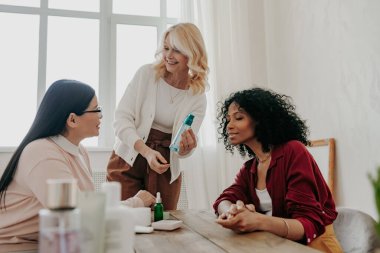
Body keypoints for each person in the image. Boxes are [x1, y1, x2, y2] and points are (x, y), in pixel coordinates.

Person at [0, 80, 155, 252]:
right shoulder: (41, 152)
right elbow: (80, 217)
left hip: (53, 245)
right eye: (97, 110)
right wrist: (136, 202)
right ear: (72, 119)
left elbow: (87, 212)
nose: (101, 116)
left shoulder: (80, 152)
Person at [213, 88, 343, 253]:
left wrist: (258, 221)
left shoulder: (293, 151)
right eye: (228, 120)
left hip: (315, 246)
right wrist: (232, 211)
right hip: (278, 247)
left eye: (239, 118)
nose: (229, 126)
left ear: (261, 120)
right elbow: (224, 199)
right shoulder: (250, 168)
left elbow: (308, 224)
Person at [107, 22, 209, 210]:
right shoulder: (146, 74)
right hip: (129, 156)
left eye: (176, 50)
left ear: (192, 53)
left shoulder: (197, 97)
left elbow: (181, 149)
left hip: (165, 166)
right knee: (123, 219)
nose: (169, 55)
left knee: (163, 224)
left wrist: (187, 148)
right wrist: (146, 152)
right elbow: (121, 120)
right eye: (166, 48)